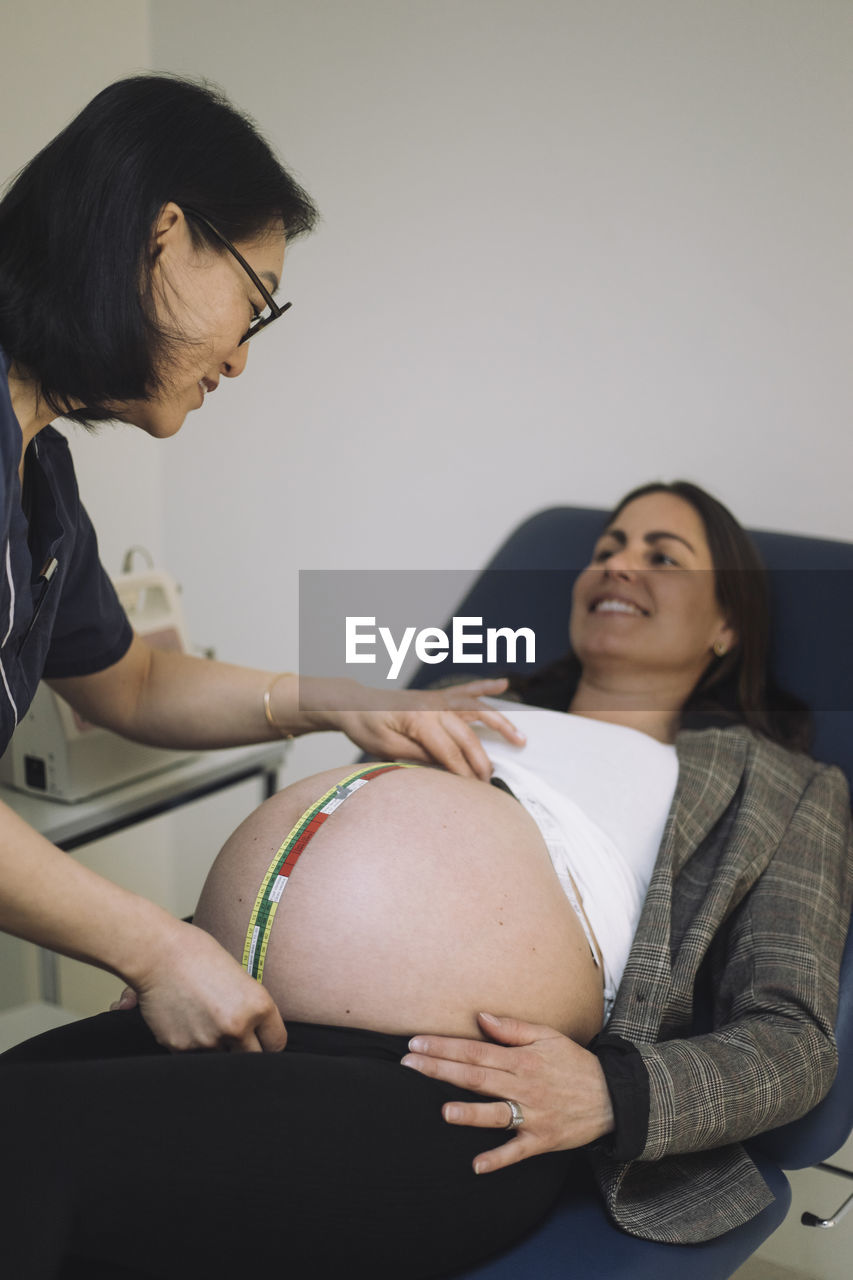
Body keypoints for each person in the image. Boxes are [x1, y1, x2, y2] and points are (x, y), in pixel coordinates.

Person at [2, 481, 850, 1278]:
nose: (618, 564)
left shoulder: (775, 785)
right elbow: (325, 842)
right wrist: (188, 942)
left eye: (662, 556)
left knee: (33, 1148)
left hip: (437, 1086)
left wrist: (614, 1093)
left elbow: (793, 1035)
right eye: (607, 546)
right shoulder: (466, 699)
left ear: (726, 626)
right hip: (232, 1012)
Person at [0, 74, 525, 1059]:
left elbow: (129, 678)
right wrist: (155, 949)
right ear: (161, 238)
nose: (241, 359)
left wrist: (336, 700)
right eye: (255, 303)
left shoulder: (42, 475)